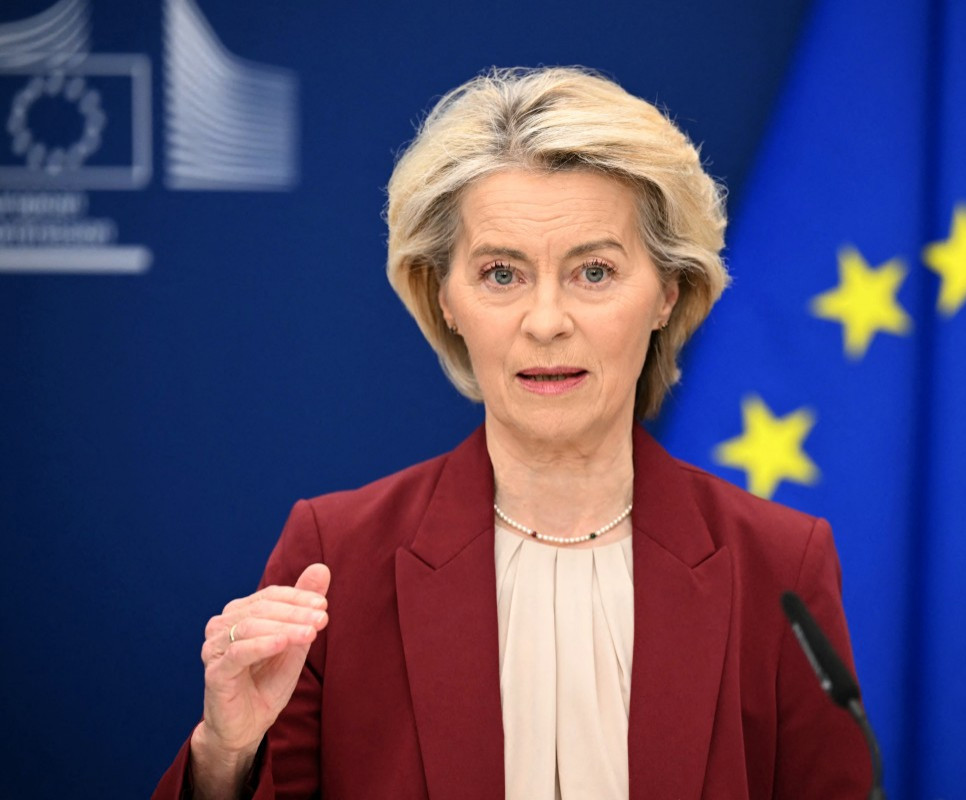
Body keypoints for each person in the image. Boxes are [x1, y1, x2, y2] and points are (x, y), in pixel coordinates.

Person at [153, 66, 870, 800]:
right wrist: (224, 754)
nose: (546, 320)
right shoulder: (337, 557)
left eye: (594, 271)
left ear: (667, 293)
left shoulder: (779, 566)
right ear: (445, 298)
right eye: (502, 274)